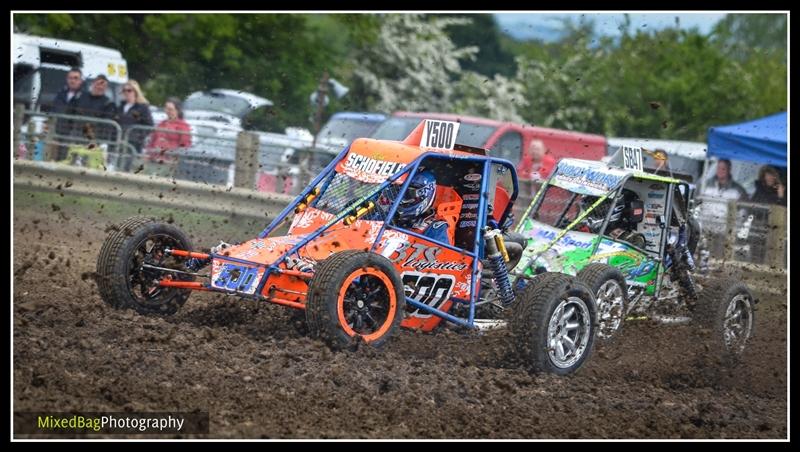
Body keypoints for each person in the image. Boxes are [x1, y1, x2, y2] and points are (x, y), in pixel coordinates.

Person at [377, 171, 454, 245]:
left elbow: (441, 256)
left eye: (407, 194)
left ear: (424, 194)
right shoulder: (381, 215)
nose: (400, 199)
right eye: (395, 192)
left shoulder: (435, 229)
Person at [143, 97, 192, 177]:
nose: (167, 111)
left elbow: (185, 146)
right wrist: (148, 154)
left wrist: (176, 160)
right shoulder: (161, 124)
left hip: (169, 163)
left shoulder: (183, 126)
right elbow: (152, 141)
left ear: (178, 110)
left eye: (170, 109)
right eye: (166, 108)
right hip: (154, 160)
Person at [114, 80, 154, 170]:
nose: (126, 93)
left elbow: (150, 125)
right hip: (120, 141)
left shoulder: (143, 107)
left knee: (127, 167)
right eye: (124, 90)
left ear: (135, 91)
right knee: (117, 165)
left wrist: (138, 136)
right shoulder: (120, 107)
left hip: (133, 143)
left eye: (129, 90)